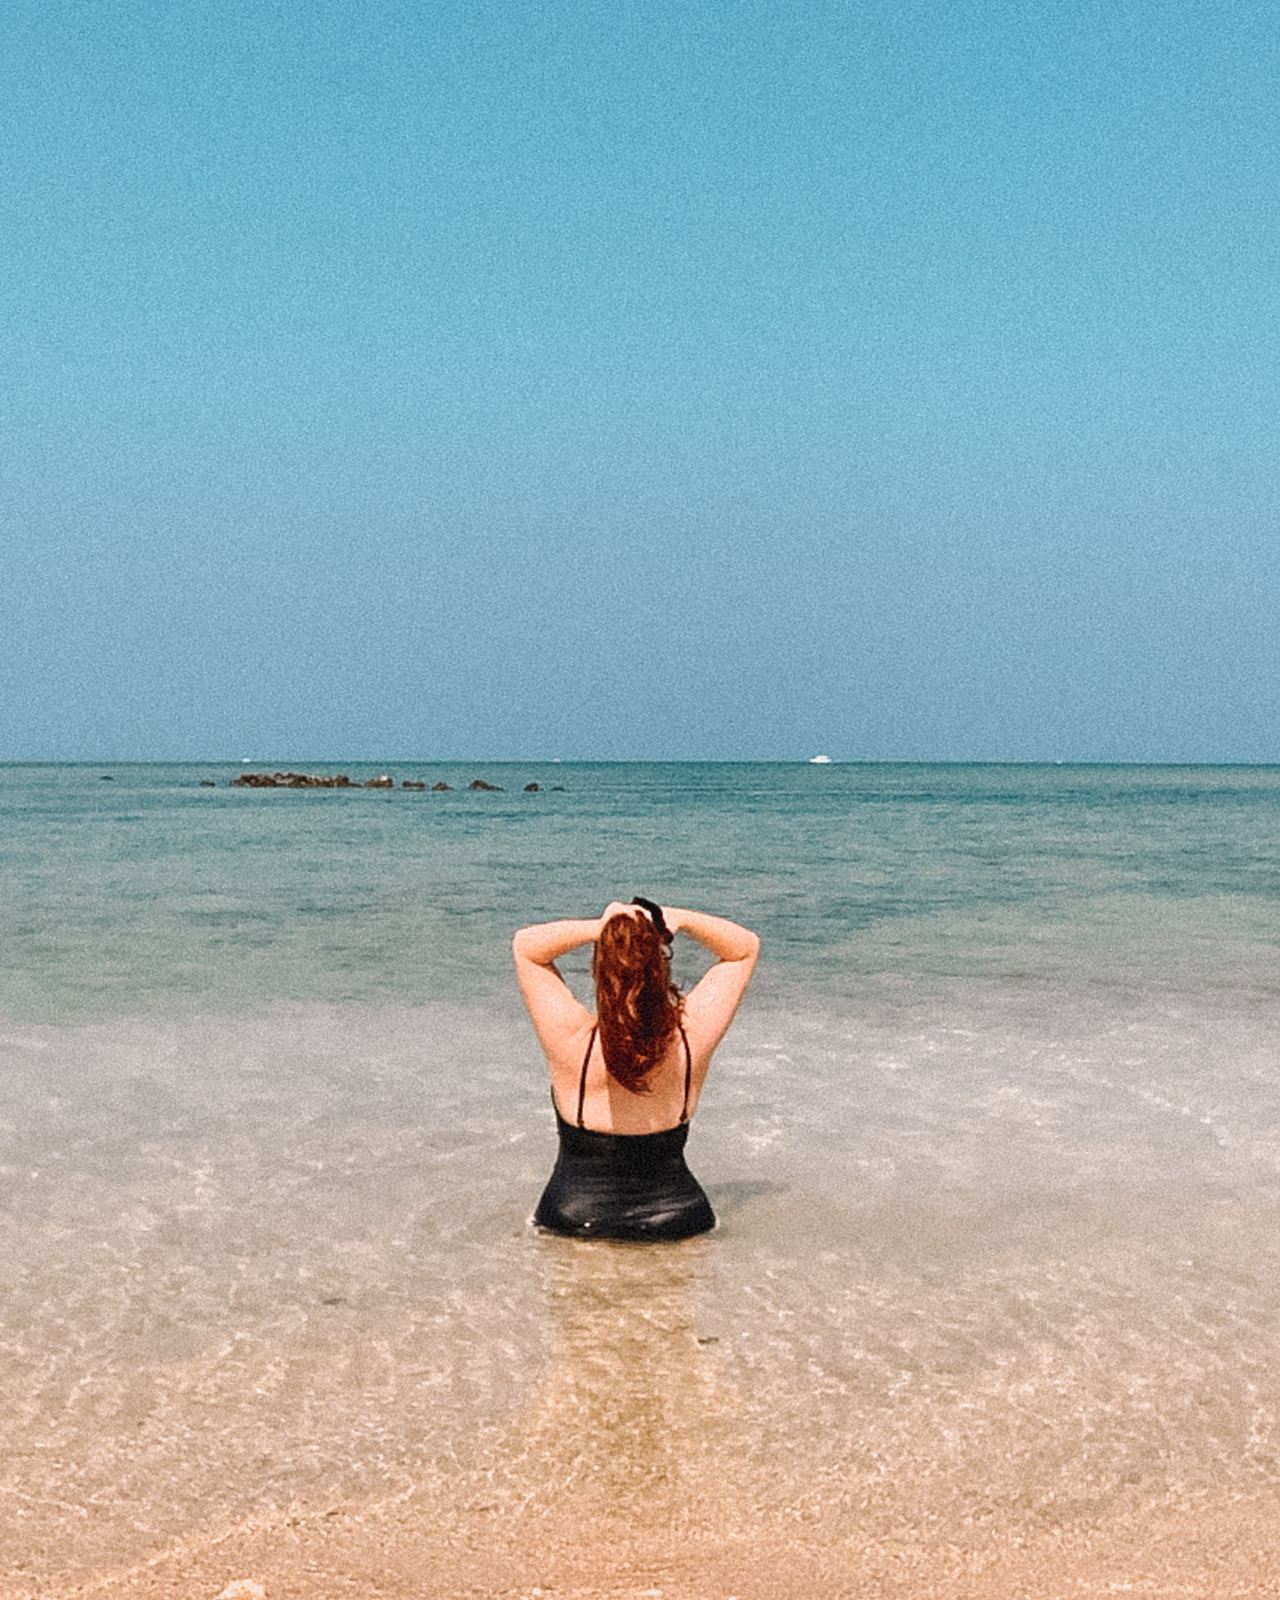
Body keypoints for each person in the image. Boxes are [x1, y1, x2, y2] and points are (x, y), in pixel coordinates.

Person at [512, 899, 760, 1241]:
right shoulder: (691, 1038)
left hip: (573, 1222)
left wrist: (606, 927)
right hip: (678, 1221)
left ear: (599, 969)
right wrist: (679, 919)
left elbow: (527, 947)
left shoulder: (572, 1042)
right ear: (661, 967)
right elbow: (743, 949)